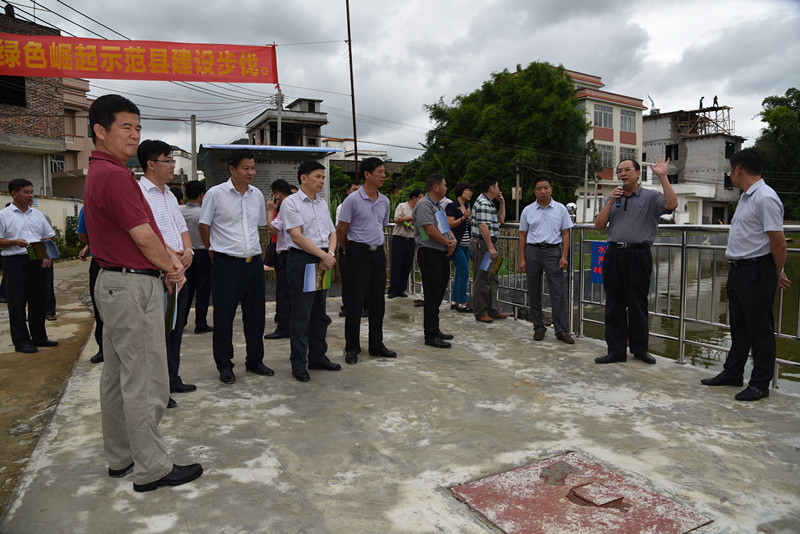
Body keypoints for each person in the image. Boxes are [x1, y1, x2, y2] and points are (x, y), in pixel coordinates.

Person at [84, 94, 201, 492]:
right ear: (100, 131)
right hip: (132, 285)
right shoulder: (116, 177)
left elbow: (142, 237)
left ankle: (121, 458)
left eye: (138, 128)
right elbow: (142, 236)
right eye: (125, 128)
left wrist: (169, 259)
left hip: (116, 280)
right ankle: (151, 467)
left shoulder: (102, 172)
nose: (134, 135)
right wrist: (172, 267)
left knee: (118, 375)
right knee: (148, 378)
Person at [701, 149, 791, 401]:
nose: (730, 176)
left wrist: (777, 271)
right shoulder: (745, 198)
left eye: (731, 170)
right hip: (740, 269)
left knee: (760, 329)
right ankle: (732, 372)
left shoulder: (765, 198)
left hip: (757, 270)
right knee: (740, 327)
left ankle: (760, 384)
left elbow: (778, 242)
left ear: (739, 169)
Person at [199, 149, 274, 385]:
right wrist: (214, 254)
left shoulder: (257, 196)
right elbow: (204, 226)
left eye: (253, 168)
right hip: (226, 264)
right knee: (224, 316)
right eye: (246, 168)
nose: (251, 172)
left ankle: (255, 360)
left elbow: (259, 226)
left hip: (253, 264)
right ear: (232, 169)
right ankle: (225, 364)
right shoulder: (215, 194)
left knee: (256, 315)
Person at [594, 155, 677, 365]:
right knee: (614, 305)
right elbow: (598, 225)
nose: (622, 174)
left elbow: (672, 204)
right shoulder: (613, 197)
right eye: (619, 171)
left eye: (627, 170)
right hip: (614, 254)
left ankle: (640, 350)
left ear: (638, 173)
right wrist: (610, 202)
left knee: (638, 304)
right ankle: (615, 351)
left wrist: (663, 177)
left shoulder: (650, 196)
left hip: (638, 254)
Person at [137, 139, 196, 408]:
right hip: (160, 273)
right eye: (168, 161)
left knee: (175, 328)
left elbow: (181, 227)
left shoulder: (170, 194)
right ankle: (159, 389)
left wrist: (188, 252)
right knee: (157, 334)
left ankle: (173, 378)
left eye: (173, 160)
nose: (173, 165)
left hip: (179, 269)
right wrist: (172, 261)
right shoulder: (139, 194)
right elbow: (147, 235)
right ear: (150, 164)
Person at [280, 161, 339, 382]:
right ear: (303, 178)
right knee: (301, 316)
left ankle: (317, 356)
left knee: (319, 313)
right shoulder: (291, 203)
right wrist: (323, 256)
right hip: (303, 260)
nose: (321, 181)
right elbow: (296, 236)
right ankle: (299, 364)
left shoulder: (322, 204)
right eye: (317, 176)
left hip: (324, 259)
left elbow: (332, 231)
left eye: (323, 177)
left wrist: (330, 254)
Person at [337, 157, 396, 365]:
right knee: (354, 302)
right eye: (379, 172)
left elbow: (381, 226)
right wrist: (348, 251)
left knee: (377, 302)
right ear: (367, 174)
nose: (383, 176)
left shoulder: (385, 200)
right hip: (357, 253)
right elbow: (341, 230)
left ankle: (376, 345)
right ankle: (352, 348)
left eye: (384, 172)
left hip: (377, 254)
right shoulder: (352, 200)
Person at [0, 179, 58, 353]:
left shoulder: (37, 215)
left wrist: (46, 256)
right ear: (14, 193)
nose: (30, 195)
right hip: (15, 261)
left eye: (31, 192)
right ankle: (21, 341)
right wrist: (13, 242)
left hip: (37, 258)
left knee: (38, 300)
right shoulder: (4, 215)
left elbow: (47, 237)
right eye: (26, 192)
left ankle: (39, 337)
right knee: (17, 302)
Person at [518, 176, 574, 344]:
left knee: (557, 292)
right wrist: (522, 258)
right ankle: (539, 327)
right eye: (539, 188)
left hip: (553, 252)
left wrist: (564, 255)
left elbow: (566, 233)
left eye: (545, 188)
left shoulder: (560, 209)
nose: (542, 191)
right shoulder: (527, 210)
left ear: (551, 189)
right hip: (533, 251)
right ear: (535, 191)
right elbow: (522, 235)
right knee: (533, 291)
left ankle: (561, 330)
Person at [413, 173, 457, 348]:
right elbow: (429, 231)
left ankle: (435, 329)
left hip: (441, 253)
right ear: (436, 187)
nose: (447, 188)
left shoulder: (437, 205)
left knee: (438, 293)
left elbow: (444, 226)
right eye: (445, 185)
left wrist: (452, 241)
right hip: (430, 253)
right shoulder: (424, 205)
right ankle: (430, 335)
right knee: (431, 295)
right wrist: (448, 243)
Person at [470, 176, 507, 323]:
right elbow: (483, 226)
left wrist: (502, 203)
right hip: (484, 245)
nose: (499, 189)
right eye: (497, 187)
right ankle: (480, 312)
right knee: (482, 278)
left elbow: (501, 220)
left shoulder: (490, 204)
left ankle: (493, 309)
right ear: (491, 188)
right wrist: (490, 248)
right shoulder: (483, 203)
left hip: (490, 244)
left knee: (493, 277)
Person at [179, 180, 213, 334]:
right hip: (202, 253)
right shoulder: (202, 213)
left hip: (184, 254)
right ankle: (201, 323)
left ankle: (181, 321)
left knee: (187, 289)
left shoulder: (179, 210)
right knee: (203, 290)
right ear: (202, 195)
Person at [264, 179, 294, 340]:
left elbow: (272, 229)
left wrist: (270, 210)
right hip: (298, 253)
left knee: (283, 293)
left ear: (277, 193)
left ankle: (284, 327)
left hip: (286, 253)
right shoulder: (298, 202)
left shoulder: (286, 206)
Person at [77, 207, 104, 363]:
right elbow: (83, 234)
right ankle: (103, 347)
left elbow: (83, 236)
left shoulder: (89, 205)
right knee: (100, 306)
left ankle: (105, 348)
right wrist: (92, 245)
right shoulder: (88, 207)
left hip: (105, 261)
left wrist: (90, 245)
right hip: (102, 262)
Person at [388, 189, 423, 299]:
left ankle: (401, 289)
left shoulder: (419, 209)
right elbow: (397, 219)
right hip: (399, 239)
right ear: (414, 198)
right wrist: (411, 218)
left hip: (411, 240)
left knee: (407, 265)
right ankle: (393, 290)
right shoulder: (402, 206)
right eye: (420, 198)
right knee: (396, 265)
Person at [336, 180, 362, 318]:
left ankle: (363, 307)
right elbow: (341, 229)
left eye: (359, 190)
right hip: (348, 246)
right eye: (354, 190)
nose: (357, 193)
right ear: (348, 191)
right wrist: (346, 248)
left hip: (362, 248)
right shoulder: (342, 206)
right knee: (347, 280)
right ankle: (347, 306)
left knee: (363, 280)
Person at [445, 182, 473, 312]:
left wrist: (468, 220)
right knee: (464, 271)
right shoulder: (452, 206)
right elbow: (449, 224)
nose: (470, 193)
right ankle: (462, 303)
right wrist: (463, 218)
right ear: (461, 191)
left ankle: (454, 300)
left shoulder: (467, 206)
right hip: (457, 243)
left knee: (460, 273)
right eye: (468, 190)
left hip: (466, 244)